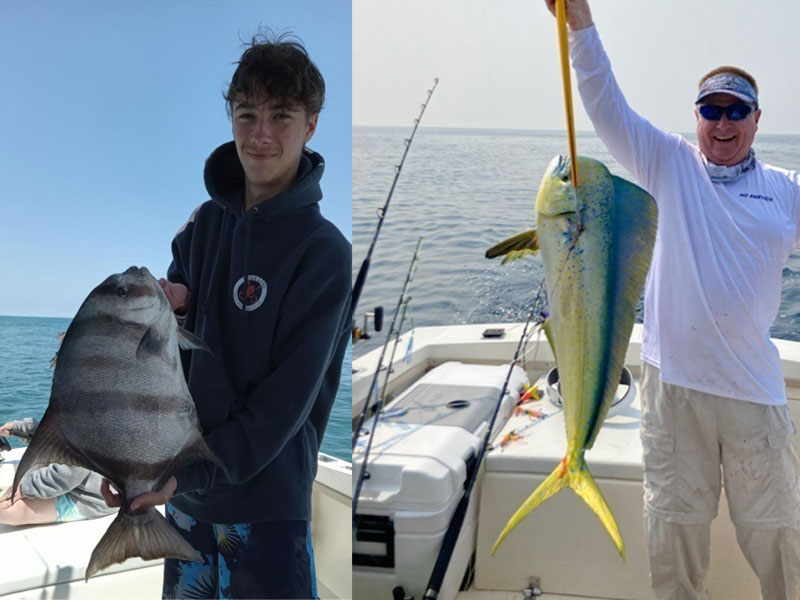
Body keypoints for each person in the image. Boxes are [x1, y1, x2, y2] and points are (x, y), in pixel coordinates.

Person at [545, 1, 800, 598]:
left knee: (780, 546)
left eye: (737, 110)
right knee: (674, 552)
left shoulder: (785, 191)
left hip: (754, 398)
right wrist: (578, 19)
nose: (723, 122)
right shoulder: (669, 163)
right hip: (674, 391)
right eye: (712, 109)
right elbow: (604, 100)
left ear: (758, 119)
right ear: (697, 116)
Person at [102, 32, 351, 599]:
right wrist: (134, 458)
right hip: (184, 503)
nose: (261, 134)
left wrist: (180, 473)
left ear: (311, 124)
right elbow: (157, 365)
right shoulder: (200, 226)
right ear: (230, 117)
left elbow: (281, 408)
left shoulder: (322, 251)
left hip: (264, 509)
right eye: (247, 114)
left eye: (282, 116)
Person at [0, 418, 116, 525]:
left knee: (3, 510)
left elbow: (68, 474)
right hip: (75, 477)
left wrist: (23, 488)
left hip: (92, 498)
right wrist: (21, 428)